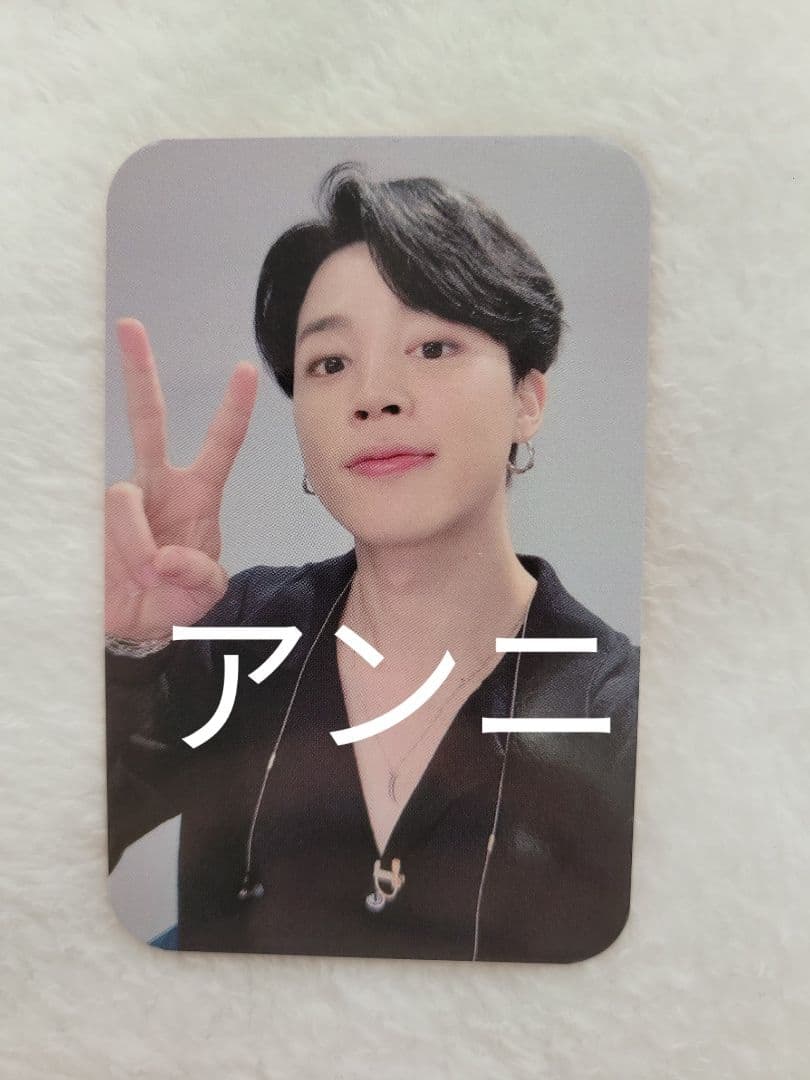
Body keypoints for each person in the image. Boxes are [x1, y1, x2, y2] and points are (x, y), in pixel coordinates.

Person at [105, 163, 640, 963]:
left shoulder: (619, 715)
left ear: (526, 399)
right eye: (330, 363)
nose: (375, 395)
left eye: (433, 346)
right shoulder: (243, 635)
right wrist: (131, 653)